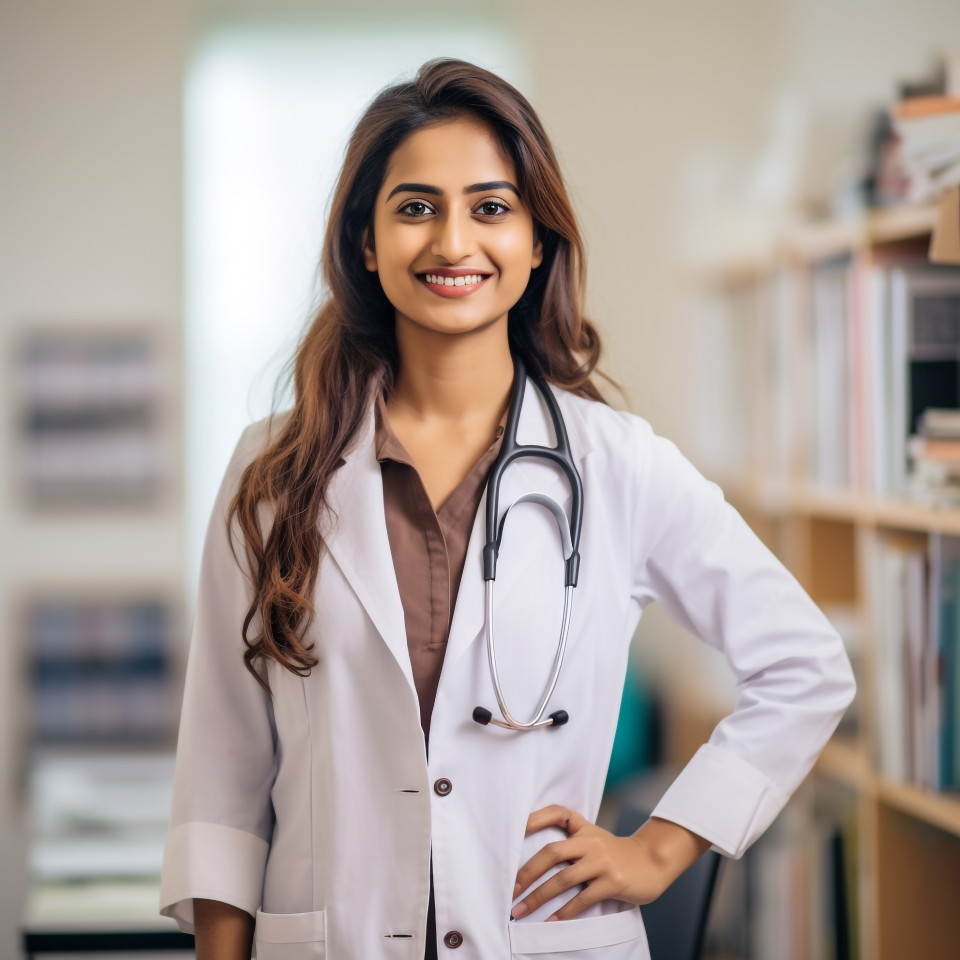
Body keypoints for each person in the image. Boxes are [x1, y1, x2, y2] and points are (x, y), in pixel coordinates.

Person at [159, 58, 856, 960]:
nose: (454, 242)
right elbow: (223, 768)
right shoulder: (271, 470)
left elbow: (806, 664)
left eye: (491, 207)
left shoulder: (619, 465)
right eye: (415, 208)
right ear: (365, 243)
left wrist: (663, 845)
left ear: (537, 242)